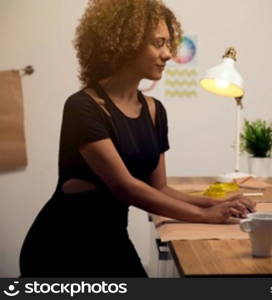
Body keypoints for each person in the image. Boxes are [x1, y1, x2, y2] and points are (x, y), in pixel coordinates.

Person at [19, 0, 255, 278]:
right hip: (63, 247)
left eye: (169, 43)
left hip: (112, 240)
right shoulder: (83, 107)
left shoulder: (155, 111)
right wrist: (205, 216)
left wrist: (215, 204)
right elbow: (125, 187)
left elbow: (159, 189)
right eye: (158, 43)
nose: (168, 54)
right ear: (125, 44)